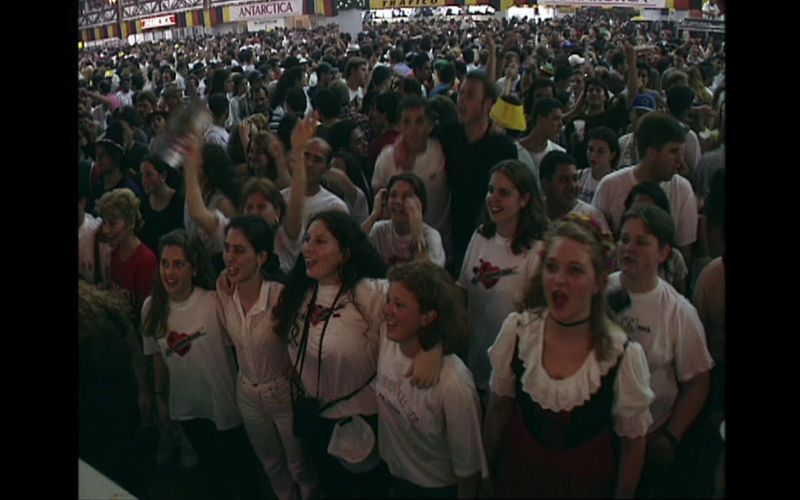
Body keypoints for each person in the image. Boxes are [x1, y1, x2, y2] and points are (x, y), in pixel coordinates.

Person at [483, 215, 655, 498]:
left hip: (586, 480)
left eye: (575, 270)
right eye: (551, 267)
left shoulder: (621, 356)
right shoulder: (518, 332)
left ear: (599, 282)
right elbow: (499, 409)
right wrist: (486, 475)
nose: (559, 279)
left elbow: (632, 446)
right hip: (519, 472)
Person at [272, 210, 438, 499]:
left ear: (345, 253)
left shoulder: (371, 294)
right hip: (315, 420)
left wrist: (433, 347)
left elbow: (430, 300)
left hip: (359, 423)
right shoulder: (301, 291)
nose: (308, 248)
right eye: (308, 239)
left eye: (321, 241)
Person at [142, 229, 262, 500]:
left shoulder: (213, 303)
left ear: (194, 269)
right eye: (164, 263)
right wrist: (160, 398)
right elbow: (159, 359)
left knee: (243, 474)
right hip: (188, 410)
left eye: (178, 264)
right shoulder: (151, 309)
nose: (169, 272)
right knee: (212, 474)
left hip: (226, 407)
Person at [608, 204, 713, 498]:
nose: (629, 248)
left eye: (642, 242)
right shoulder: (599, 291)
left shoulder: (679, 312)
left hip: (649, 438)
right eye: (625, 239)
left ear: (664, 252)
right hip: (597, 434)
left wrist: (671, 436)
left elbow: (698, 381)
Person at [217, 216, 322, 500]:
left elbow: (310, 340)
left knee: (299, 466)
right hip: (247, 392)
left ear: (261, 257)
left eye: (239, 251)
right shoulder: (225, 294)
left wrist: (297, 366)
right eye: (227, 249)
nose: (229, 257)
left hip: (282, 393)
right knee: (271, 465)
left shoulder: (281, 297)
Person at [378, 262, 488, 498]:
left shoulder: (453, 383)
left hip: (434, 489)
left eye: (399, 305)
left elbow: (468, 467)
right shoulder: (388, 338)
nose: (387, 310)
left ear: (428, 317)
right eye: (388, 300)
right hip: (393, 475)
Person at [457, 160, 549, 402]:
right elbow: (462, 288)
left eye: (504, 193)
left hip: (512, 376)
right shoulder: (480, 236)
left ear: (525, 200)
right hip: (474, 364)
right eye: (491, 190)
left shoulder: (538, 251)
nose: (493, 198)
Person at [592, 112, 698, 270]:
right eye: (673, 151)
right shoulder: (609, 186)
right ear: (652, 153)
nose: (680, 161)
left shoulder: (682, 189)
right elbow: (597, 246)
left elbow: (684, 253)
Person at [437, 71, 518, 273]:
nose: (462, 100)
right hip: (448, 235)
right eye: (461, 93)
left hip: (487, 236)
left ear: (488, 104)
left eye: (470, 95)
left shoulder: (502, 148)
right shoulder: (446, 134)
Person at [373, 97, 452, 261]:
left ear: (430, 125)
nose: (413, 129)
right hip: (395, 250)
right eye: (407, 122)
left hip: (439, 243)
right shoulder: (387, 158)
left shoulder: (442, 149)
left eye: (419, 121)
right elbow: (379, 195)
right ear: (399, 125)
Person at [362, 172, 446, 268]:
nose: (398, 201)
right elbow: (352, 247)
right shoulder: (379, 230)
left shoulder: (431, 236)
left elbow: (429, 277)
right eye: (393, 195)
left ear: (420, 203)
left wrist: (417, 233)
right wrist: (374, 215)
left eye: (406, 196)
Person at [96, 188, 157, 314]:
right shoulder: (114, 252)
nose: (106, 230)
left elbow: (147, 312)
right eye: (104, 222)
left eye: (112, 223)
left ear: (130, 223)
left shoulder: (146, 261)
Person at [622, 182, 689, 296]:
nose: (641, 215)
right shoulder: (619, 252)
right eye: (637, 208)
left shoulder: (675, 258)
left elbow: (680, 293)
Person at [539, 151, 609, 232]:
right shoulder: (533, 213)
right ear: (545, 185)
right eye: (564, 180)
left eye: (575, 179)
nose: (572, 186)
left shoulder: (592, 218)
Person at [139, 154, 184, 254]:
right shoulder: (142, 203)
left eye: (148, 175)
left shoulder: (179, 203)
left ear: (162, 176)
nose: (143, 180)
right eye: (142, 175)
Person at [578, 126, 619, 204]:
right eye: (590, 149)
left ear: (612, 155)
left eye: (601, 151)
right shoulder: (579, 176)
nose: (594, 155)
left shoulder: (616, 183)